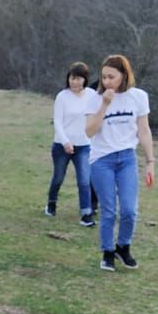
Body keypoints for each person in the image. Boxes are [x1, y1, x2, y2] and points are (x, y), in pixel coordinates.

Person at [86, 54, 155, 272]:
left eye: (111, 77)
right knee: (109, 210)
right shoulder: (94, 98)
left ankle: (123, 247)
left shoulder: (139, 97)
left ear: (124, 76)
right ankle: (107, 252)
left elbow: (144, 130)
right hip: (101, 160)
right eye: (103, 77)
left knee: (129, 210)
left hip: (126, 158)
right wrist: (105, 104)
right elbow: (89, 131)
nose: (106, 81)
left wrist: (150, 161)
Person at [47, 62, 101, 226]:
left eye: (78, 79)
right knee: (58, 178)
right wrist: (65, 142)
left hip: (84, 146)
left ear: (85, 79)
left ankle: (86, 215)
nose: (75, 82)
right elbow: (57, 121)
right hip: (62, 146)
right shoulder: (62, 96)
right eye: (72, 78)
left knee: (84, 180)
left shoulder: (92, 95)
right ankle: (51, 203)